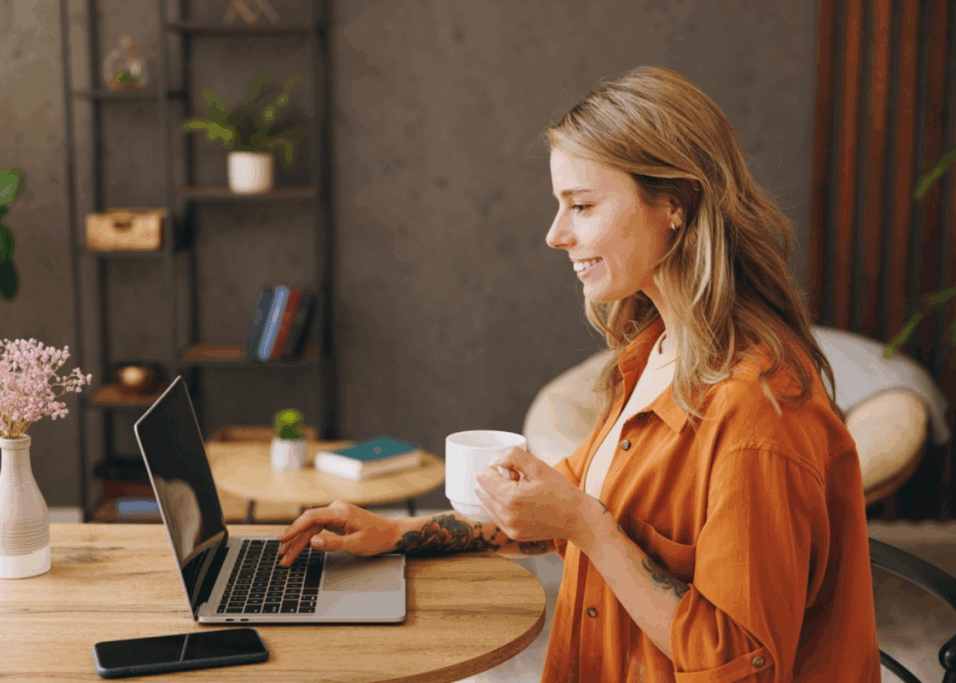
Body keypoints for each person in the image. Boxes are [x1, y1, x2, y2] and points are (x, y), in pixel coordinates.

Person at [276, 66, 881, 682]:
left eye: (583, 206)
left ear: (675, 203)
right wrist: (397, 535)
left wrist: (587, 527)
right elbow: (568, 510)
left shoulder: (757, 410)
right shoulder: (655, 350)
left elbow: (739, 664)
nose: (555, 235)